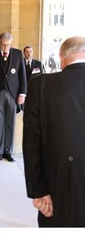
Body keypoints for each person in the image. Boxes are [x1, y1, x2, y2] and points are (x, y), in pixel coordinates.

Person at [23, 36, 85, 227]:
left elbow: (31, 143)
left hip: (60, 183)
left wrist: (38, 190)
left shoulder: (40, 85)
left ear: (61, 56)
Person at [0, 32, 27, 162]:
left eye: (8, 45)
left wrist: (22, 94)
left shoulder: (18, 54)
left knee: (10, 123)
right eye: (4, 45)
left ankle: (9, 151)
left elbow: (22, 76)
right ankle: (0, 151)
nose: (6, 47)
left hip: (13, 95)